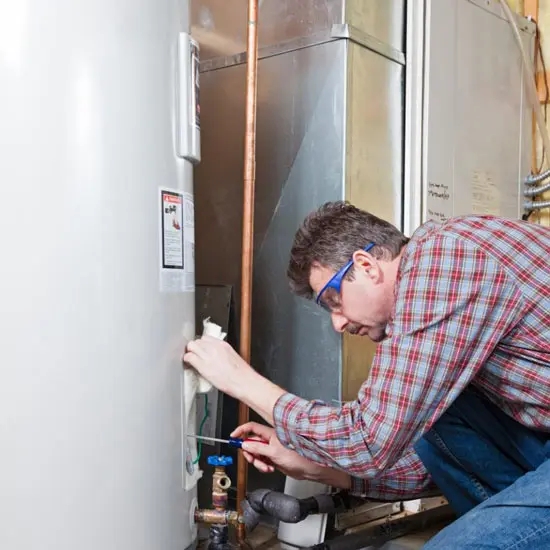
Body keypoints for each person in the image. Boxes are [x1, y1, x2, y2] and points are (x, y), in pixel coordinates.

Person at [184, 201, 550, 548]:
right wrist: (320, 468)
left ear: (366, 266)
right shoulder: (444, 260)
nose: (338, 322)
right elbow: (432, 461)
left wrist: (242, 383)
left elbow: (369, 440)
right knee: (429, 416)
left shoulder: (444, 261)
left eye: (332, 301)